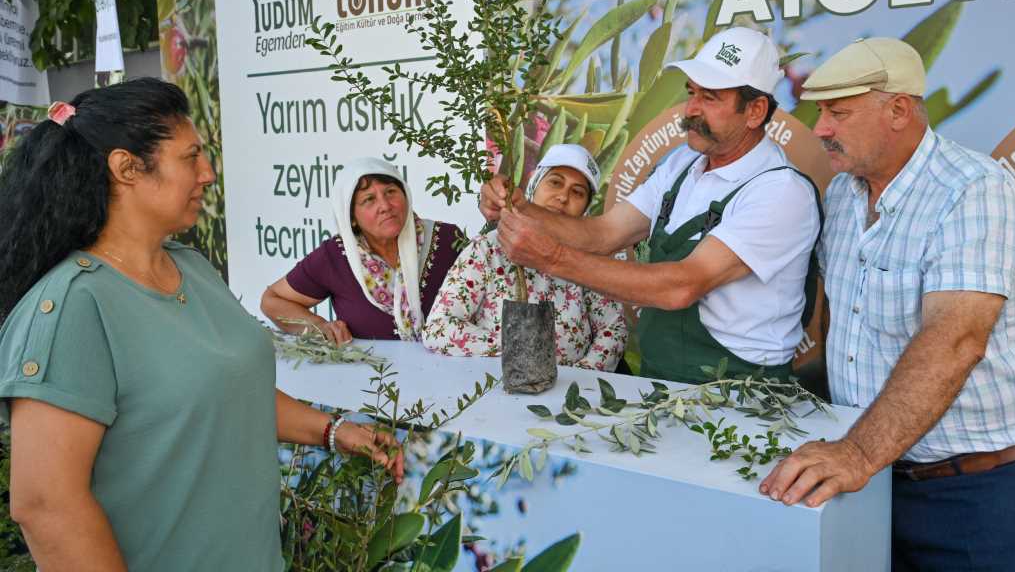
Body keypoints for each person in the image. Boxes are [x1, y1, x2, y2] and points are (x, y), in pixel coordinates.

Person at [0, 79, 403, 572]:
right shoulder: (72, 307)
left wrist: (334, 430)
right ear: (127, 168)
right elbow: (45, 506)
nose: (208, 173)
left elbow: (227, 388)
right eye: (191, 157)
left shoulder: (192, 268)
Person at [758, 38, 1015, 570]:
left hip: (981, 494)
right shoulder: (844, 194)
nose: (821, 128)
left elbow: (955, 339)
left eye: (838, 113)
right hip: (876, 479)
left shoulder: (973, 189)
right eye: (820, 112)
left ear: (898, 110)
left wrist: (857, 453)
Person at [479, 27, 822, 384]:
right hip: (661, 380)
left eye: (709, 98)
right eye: (692, 92)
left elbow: (681, 286)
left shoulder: (781, 192)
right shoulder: (682, 164)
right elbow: (603, 234)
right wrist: (518, 206)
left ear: (755, 111)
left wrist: (551, 258)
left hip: (737, 393)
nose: (690, 109)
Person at [423, 144, 627, 371]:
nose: (563, 197)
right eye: (555, 182)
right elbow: (439, 328)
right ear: (534, 184)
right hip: (499, 382)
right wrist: (522, 350)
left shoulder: (589, 258)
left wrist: (579, 379)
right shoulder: (488, 249)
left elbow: (612, 331)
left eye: (577, 192)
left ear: (586, 207)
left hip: (572, 385)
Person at [262, 156, 465, 344]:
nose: (385, 206)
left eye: (390, 192)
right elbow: (272, 300)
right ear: (351, 217)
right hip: (370, 371)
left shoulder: (447, 240)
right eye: (369, 199)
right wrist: (319, 326)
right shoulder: (335, 256)